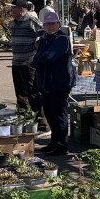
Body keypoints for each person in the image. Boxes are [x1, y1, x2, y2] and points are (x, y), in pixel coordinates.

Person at [31, 12, 75, 157]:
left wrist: (34, 59)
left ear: (58, 25)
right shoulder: (45, 39)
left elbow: (49, 57)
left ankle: (62, 145)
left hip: (60, 83)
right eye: (47, 24)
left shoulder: (62, 39)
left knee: (59, 115)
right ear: (43, 26)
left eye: (53, 24)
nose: (50, 27)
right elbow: (42, 56)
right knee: (50, 114)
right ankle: (54, 142)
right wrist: (38, 59)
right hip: (47, 83)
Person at [8, 0, 43, 114]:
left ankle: (41, 120)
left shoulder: (31, 20)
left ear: (21, 9)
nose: (11, 10)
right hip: (16, 61)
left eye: (13, 8)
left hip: (28, 61)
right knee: (20, 93)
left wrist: (36, 49)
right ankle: (24, 116)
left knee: (32, 91)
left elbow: (43, 34)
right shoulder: (13, 23)